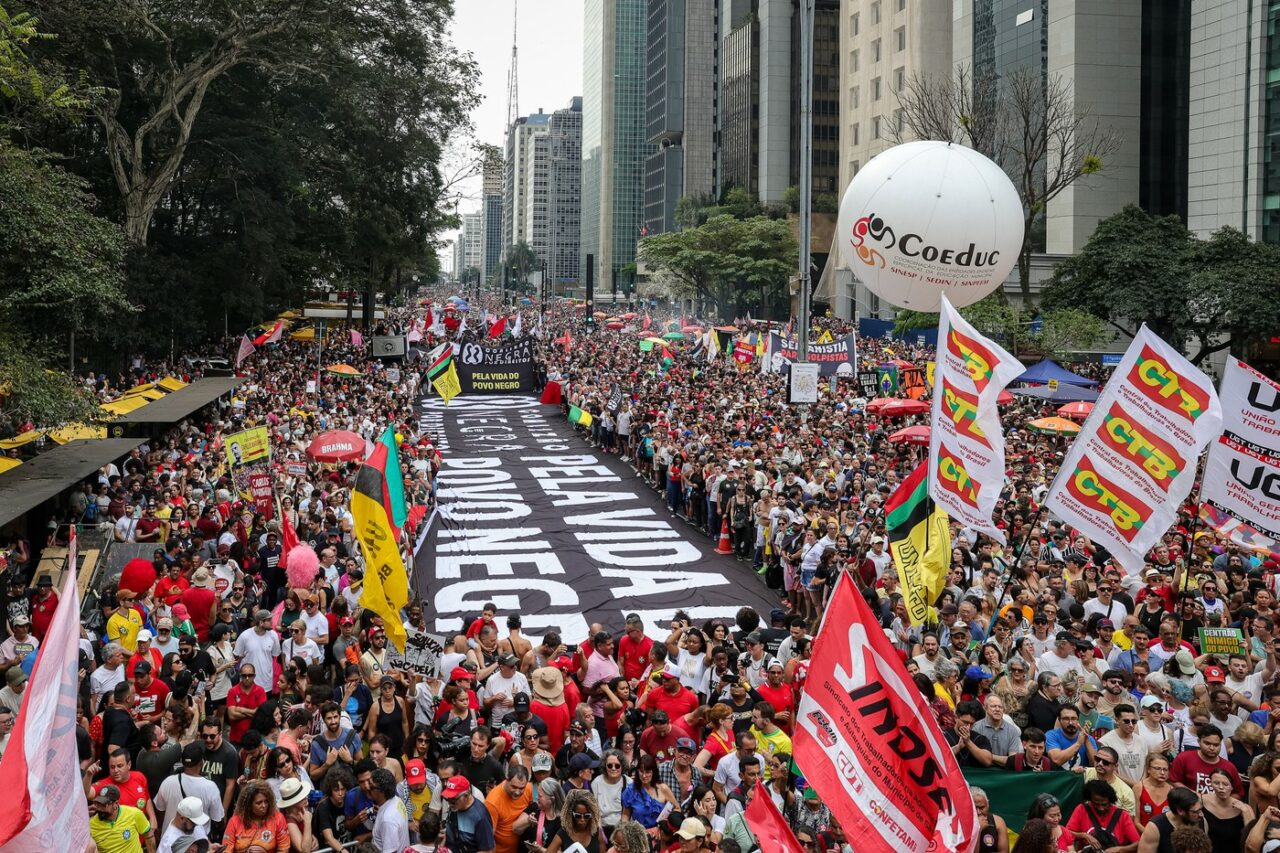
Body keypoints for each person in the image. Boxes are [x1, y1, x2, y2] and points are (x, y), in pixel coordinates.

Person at [1063, 779, 1141, 851]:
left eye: (1104, 804)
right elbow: (1065, 834)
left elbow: (1138, 843)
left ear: (1110, 801)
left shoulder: (1122, 815)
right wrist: (1083, 835)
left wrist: (1120, 849)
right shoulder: (1082, 809)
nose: (1101, 808)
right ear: (1090, 800)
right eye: (1096, 804)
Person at [1137, 787, 1205, 853]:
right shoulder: (1155, 828)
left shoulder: (1201, 821)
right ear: (1180, 811)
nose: (1201, 815)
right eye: (1195, 812)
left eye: (1200, 809)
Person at [89, 784, 153, 853]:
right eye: (98, 803)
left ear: (116, 804)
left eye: (104, 805)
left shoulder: (134, 814)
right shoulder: (90, 825)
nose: (100, 808)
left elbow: (149, 835)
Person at [1201, 767, 1253, 853]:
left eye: (1225, 784)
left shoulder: (1244, 808)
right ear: (1210, 784)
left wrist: (1245, 813)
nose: (1221, 787)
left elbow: (1252, 842)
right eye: (1216, 783)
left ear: (1232, 786)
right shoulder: (1201, 801)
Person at [485, 764, 533, 853]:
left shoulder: (529, 788)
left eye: (521, 788)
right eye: (514, 787)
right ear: (507, 780)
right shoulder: (492, 802)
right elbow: (488, 838)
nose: (517, 792)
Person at [442, 774, 496, 853]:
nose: (449, 804)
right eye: (447, 799)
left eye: (453, 800)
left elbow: (487, 851)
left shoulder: (480, 817)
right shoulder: (456, 807)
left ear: (466, 796)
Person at [545, 788, 607, 853]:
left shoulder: (596, 832)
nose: (582, 819)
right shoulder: (564, 833)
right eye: (578, 816)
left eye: (587, 816)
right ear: (571, 814)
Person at [369, 766, 410, 852]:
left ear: (382, 791)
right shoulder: (396, 800)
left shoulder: (388, 820)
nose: (367, 788)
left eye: (371, 787)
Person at [1133, 754, 1173, 832]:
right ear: (1148, 769)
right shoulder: (1138, 788)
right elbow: (1136, 821)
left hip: (1165, 835)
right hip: (1143, 834)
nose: (1162, 772)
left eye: (1165, 769)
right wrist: (1150, 836)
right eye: (1157, 768)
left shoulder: (1172, 791)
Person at [972, 787, 1010, 853]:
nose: (978, 812)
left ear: (988, 805)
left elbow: (1004, 851)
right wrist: (978, 830)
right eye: (974, 808)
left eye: (981, 808)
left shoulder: (998, 822)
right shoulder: (961, 825)